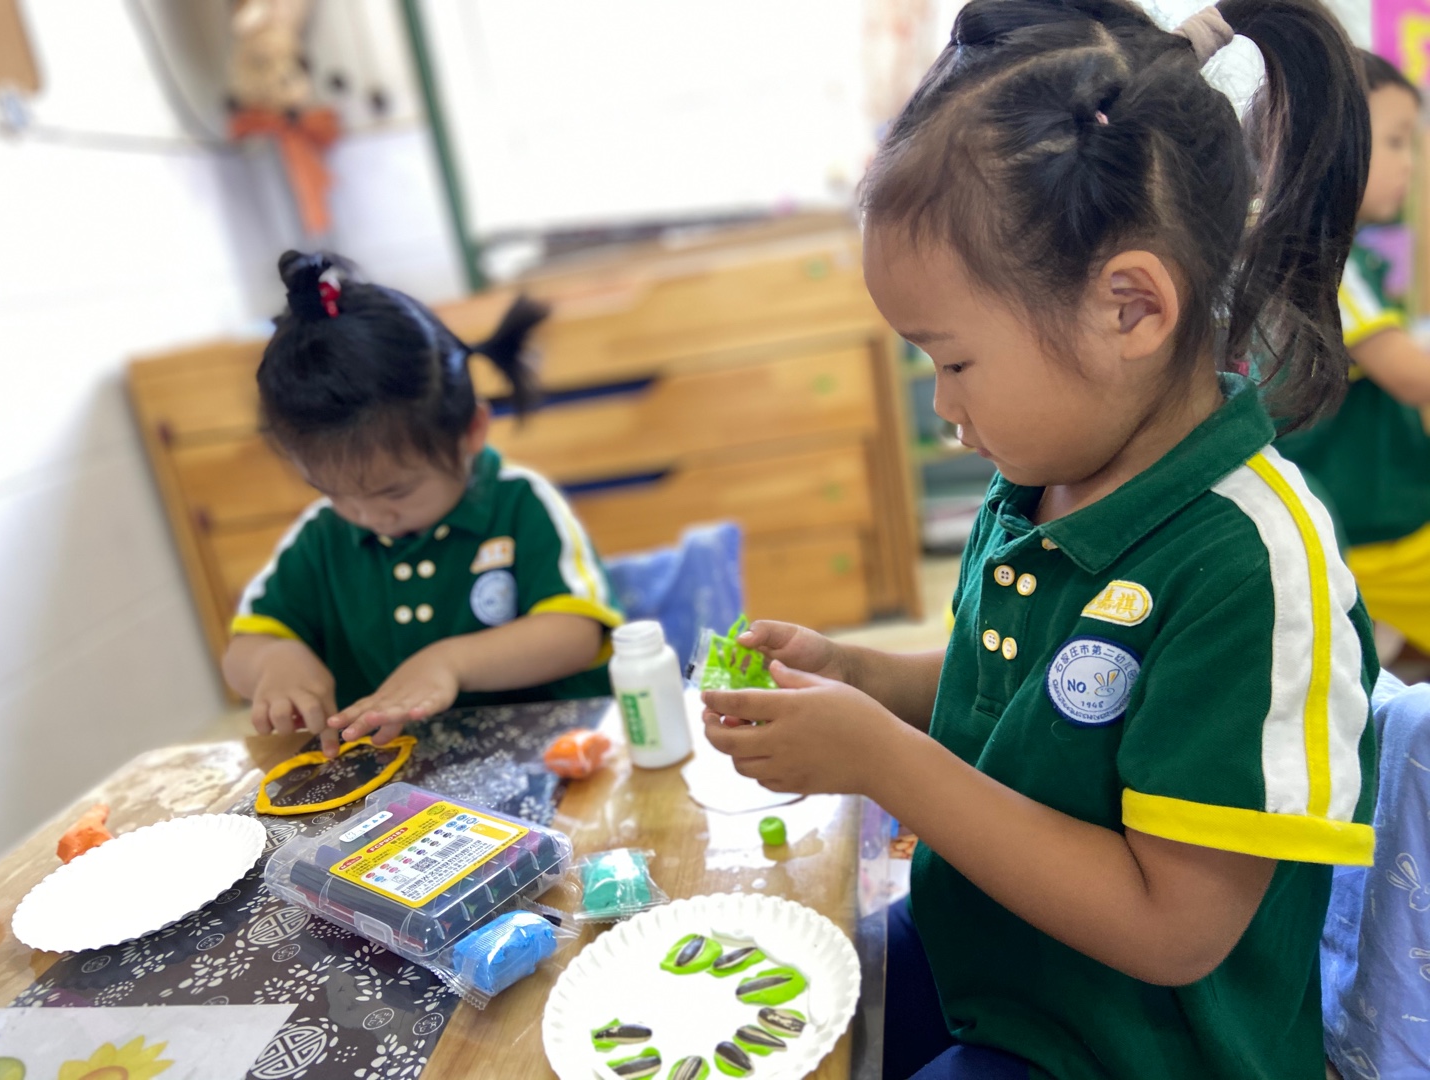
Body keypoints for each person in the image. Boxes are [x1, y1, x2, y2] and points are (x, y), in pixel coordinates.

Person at [701, 2, 1376, 1077]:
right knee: (766, 1012)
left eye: (955, 362)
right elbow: (1027, 696)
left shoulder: (1252, 566)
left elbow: (1173, 929)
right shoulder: (1044, 476)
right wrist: (862, 677)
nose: (943, 408)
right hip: (1004, 956)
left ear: (1130, 309)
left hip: (1134, 1052)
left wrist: (883, 762)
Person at [223, 252, 622, 756]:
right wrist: (275, 662)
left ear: (470, 431)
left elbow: (577, 633)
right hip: (394, 771)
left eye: (396, 492)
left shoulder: (520, 503)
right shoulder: (321, 535)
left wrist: (449, 663)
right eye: (334, 492)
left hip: (552, 757)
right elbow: (243, 651)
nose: (370, 516)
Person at [1277, 50, 1430, 655]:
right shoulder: (1326, 261)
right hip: (1376, 524)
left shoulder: (1336, 252)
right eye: (1395, 141)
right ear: (1332, 143)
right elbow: (1413, 377)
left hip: (1371, 508)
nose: (1409, 162)